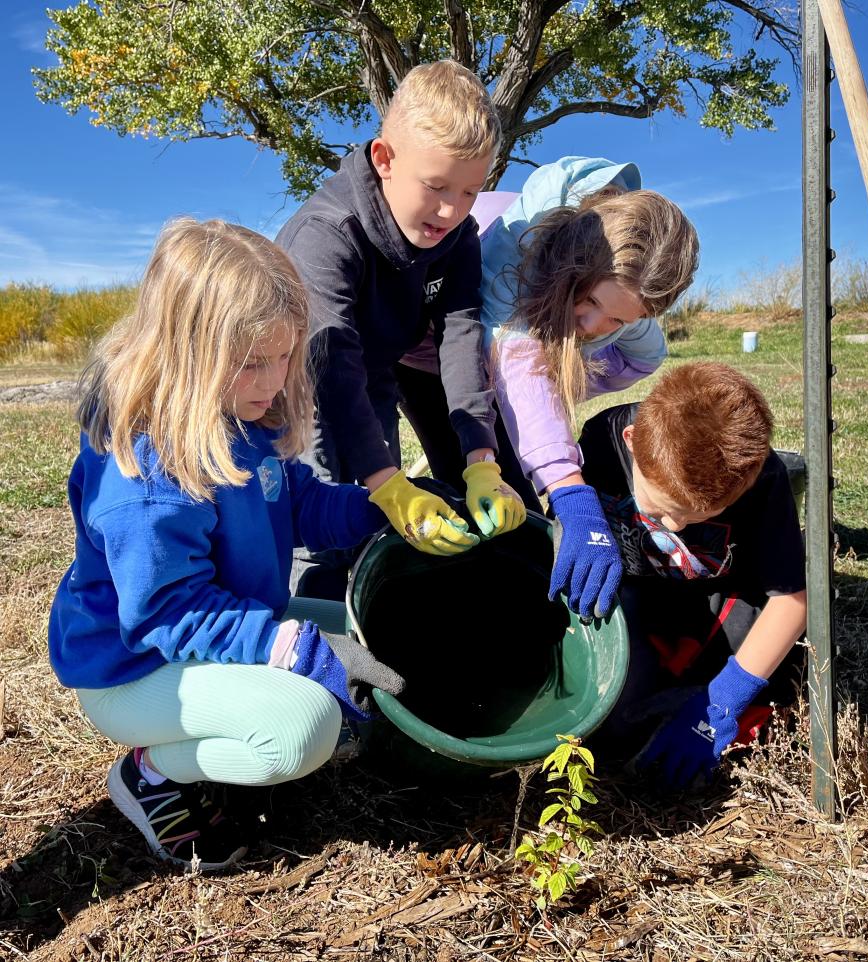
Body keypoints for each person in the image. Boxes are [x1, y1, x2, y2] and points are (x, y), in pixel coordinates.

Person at [48, 219, 405, 871]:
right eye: (251, 363)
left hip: (221, 624)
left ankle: (243, 715)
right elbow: (167, 614)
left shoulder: (232, 414)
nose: (273, 380)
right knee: (302, 730)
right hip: (135, 669)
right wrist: (290, 648)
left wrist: (385, 509)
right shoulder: (145, 475)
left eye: (285, 356)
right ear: (189, 352)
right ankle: (151, 772)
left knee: (370, 629)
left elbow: (295, 501)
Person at [275, 60, 530, 600]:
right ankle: (312, 626)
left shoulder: (458, 238)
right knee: (320, 525)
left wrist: (480, 458)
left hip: (375, 380)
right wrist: (386, 482)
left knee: (373, 524)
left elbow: (460, 336)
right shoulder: (326, 236)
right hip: (298, 392)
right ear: (385, 159)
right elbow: (331, 365)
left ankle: (367, 617)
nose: (451, 209)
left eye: (469, 192)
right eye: (436, 186)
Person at [478, 157, 699, 619]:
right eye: (592, 300)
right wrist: (572, 493)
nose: (593, 325)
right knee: (490, 481)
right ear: (577, 265)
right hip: (434, 345)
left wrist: (557, 390)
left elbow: (646, 358)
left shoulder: (628, 305)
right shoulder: (516, 250)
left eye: (618, 318)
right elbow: (517, 357)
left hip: (521, 367)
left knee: (521, 481)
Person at [578, 362, 807, 788]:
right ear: (631, 443)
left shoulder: (763, 474)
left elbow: (791, 600)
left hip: (719, 599)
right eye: (662, 509)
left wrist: (722, 704)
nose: (675, 528)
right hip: (637, 595)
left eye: (698, 516)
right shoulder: (603, 439)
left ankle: (699, 698)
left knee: (780, 669)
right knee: (611, 716)